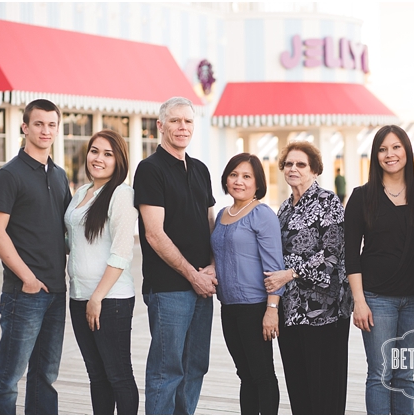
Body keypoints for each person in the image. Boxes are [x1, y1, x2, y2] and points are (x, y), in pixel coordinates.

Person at [0, 99, 71, 414]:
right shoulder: (8, 176)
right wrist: (28, 278)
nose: (45, 130)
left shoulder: (60, 175)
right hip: (25, 293)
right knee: (9, 376)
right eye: (39, 123)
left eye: (51, 124)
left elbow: (66, 231)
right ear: (25, 127)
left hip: (56, 291)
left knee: (45, 376)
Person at [133, 96, 217, 414]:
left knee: (195, 367)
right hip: (169, 288)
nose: (182, 127)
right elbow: (155, 234)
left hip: (203, 286)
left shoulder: (200, 170)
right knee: (167, 371)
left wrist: (213, 266)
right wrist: (192, 274)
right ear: (161, 125)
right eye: (175, 121)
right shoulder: (150, 170)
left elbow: (211, 225)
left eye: (188, 121)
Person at [345, 125, 414, 414]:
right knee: (380, 374)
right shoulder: (361, 196)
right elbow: (351, 254)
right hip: (376, 299)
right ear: (375, 155)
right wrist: (359, 301)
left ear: (407, 150)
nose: (390, 154)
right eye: (383, 149)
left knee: (404, 375)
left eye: (396, 147)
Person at [263, 141, 352, 414]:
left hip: (325, 312)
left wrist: (289, 273)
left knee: (324, 388)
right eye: (289, 164)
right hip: (291, 311)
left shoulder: (328, 201)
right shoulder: (284, 209)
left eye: (301, 164)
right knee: (298, 386)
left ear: (314, 170)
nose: (293, 169)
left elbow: (332, 254)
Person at [65, 129, 139, 414]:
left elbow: (121, 253)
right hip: (79, 296)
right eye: (95, 151)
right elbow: (72, 241)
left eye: (108, 154)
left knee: (118, 375)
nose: (99, 158)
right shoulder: (82, 192)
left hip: (111, 300)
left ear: (118, 160)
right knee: (97, 376)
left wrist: (97, 298)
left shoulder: (121, 193)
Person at [211, 153, 284, 414]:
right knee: (244, 373)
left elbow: (274, 266)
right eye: (233, 175)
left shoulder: (262, 214)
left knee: (262, 373)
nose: (238, 181)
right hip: (228, 308)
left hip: (255, 308)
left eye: (246, 176)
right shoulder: (221, 214)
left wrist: (271, 309)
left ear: (257, 183)